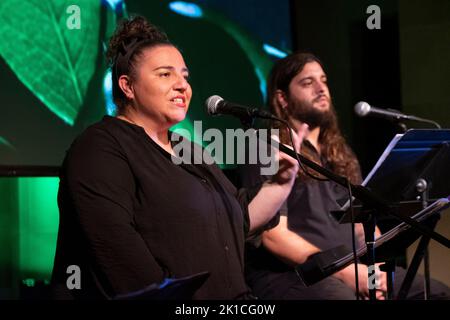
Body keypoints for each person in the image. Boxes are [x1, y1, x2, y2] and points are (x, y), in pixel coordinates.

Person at [50, 16, 307, 300]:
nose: (182, 85)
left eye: (185, 76)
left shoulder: (189, 149)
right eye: (165, 74)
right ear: (127, 86)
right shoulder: (99, 148)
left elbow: (238, 219)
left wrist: (280, 183)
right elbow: (117, 252)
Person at [239, 51, 450, 300]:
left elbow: (362, 226)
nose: (321, 88)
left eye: (324, 80)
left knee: (436, 293)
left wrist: (375, 270)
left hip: (353, 268)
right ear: (283, 98)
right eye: (308, 82)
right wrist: (348, 273)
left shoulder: (340, 152)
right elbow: (273, 237)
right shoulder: (264, 147)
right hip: (295, 275)